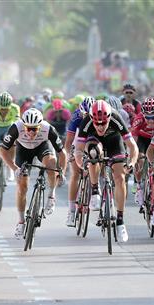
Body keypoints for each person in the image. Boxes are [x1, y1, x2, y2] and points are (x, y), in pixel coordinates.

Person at [74, 100, 138, 242]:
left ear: (109, 117)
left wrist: (132, 162)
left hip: (114, 141)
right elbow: (78, 149)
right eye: (97, 123)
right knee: (93, 153)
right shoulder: (86, 122)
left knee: (120, 177)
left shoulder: (116, 118)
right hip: (95, 142)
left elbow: (133, 147)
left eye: (103, 123)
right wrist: (81, 164)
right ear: (92, 119)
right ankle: (95, 190)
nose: (100, 126)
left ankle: (120, 221)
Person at [0, 108, 67, 239]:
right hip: (23, 151)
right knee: (22, 186)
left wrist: (61, 172)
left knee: (51, 164)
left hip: (42, 147)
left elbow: (62, 153)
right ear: (23, 125)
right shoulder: (16, 128)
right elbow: (2, 151)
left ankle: (51, 196)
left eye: (34, 129)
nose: (30, 132)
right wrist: (14, 168)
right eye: (28, 128)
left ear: (40, 126)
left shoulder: (48, 128)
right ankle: (21, 221)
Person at [65, 96, 94, 226]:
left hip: (92, 140)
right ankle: (71, 211)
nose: (87, 117)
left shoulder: (98, 116)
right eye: (85, 115)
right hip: (78, 141)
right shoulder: (76, 116)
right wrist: (69, 154)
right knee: (76, 174)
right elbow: (69, 141)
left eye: (90, 115)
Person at [131, 96, 154, 206]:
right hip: (143, 140)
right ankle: (139, 186)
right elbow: (133, 142)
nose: (151, 120)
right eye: (147, 118)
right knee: (140, 159)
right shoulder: (138, 120)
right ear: (143, 115)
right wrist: (134, 156)